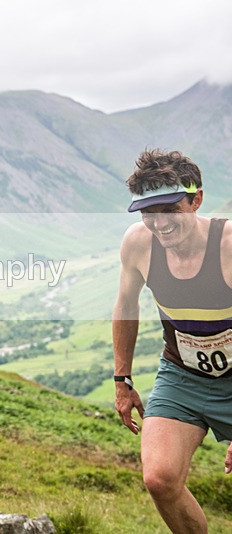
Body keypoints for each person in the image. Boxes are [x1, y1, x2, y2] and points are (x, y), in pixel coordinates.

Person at [113, 149, 232, 533]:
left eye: (169, 209)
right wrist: (122, 380)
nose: (159, 223)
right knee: (159, 478)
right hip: (183, 375)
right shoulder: (138, 244)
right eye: (148, 213)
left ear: (196, 199)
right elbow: (126, 307)